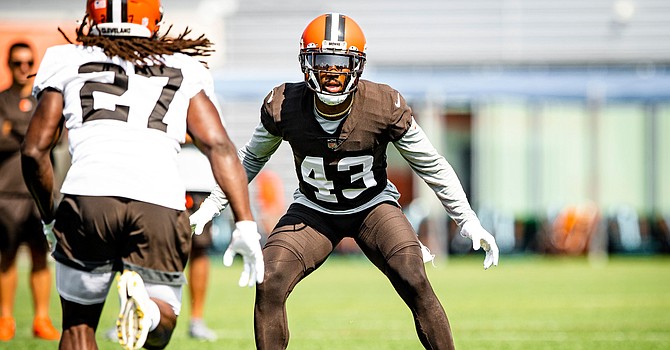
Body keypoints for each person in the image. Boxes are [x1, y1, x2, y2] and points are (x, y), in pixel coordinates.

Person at [189, 13, 500, 349]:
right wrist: (213, 205)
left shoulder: (383, 105)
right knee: (270, 279)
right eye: (323, 61)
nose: (333, 72)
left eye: (342, 62)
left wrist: (467, 220)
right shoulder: (284, 105)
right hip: (314, 210)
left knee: (413, 275)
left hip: (372, 207)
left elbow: (432, 165)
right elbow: (248, 160)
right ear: (306, 62)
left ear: (358, 65)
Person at [20, 1, 263, 349]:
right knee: (161, 325)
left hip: (89, 196)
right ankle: (148, 314)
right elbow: (219, 146)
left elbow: (33, 150)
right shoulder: (183, 65)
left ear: (94, 16)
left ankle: (144, 313)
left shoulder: (65, 59)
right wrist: (245, 223)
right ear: (153, 17)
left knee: (78, 326)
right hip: (159, 200)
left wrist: (48, 217)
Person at [0, 42, 61, 342]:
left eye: (28, 62)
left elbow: (56, 139)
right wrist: (33, 133)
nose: (23, 68)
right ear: (8, 65)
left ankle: (41, 318)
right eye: (17, 63)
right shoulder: (1, 100)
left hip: (39, 192)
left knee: (41, 256)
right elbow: (5, 141)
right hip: (7, 194)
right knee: (7, 257)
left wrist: (14, 128)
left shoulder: (44, 100)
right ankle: (5, 318)